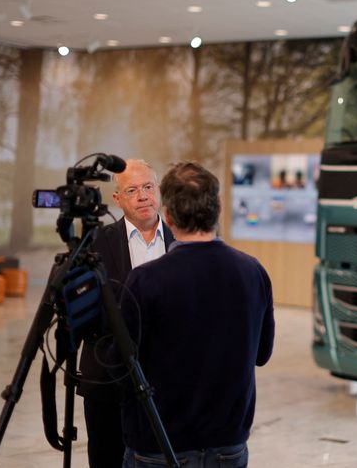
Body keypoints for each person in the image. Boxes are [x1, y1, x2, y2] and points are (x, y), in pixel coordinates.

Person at [117, 160, 275, 468]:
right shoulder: (253, 271)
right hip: (228, 445)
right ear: (218, 206)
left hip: (158, 446)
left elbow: (122, 367)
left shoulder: (145, 281)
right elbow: (262, 354)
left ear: (168, 215)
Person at [78, 158, 175, 468]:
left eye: (148, 187)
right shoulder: (95, 244)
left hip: (171, 384)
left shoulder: (184, 240)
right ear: (117, 200)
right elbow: (86, 315)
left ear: (159, 191)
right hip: (109, 382)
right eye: (132, 190)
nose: (143, 196)